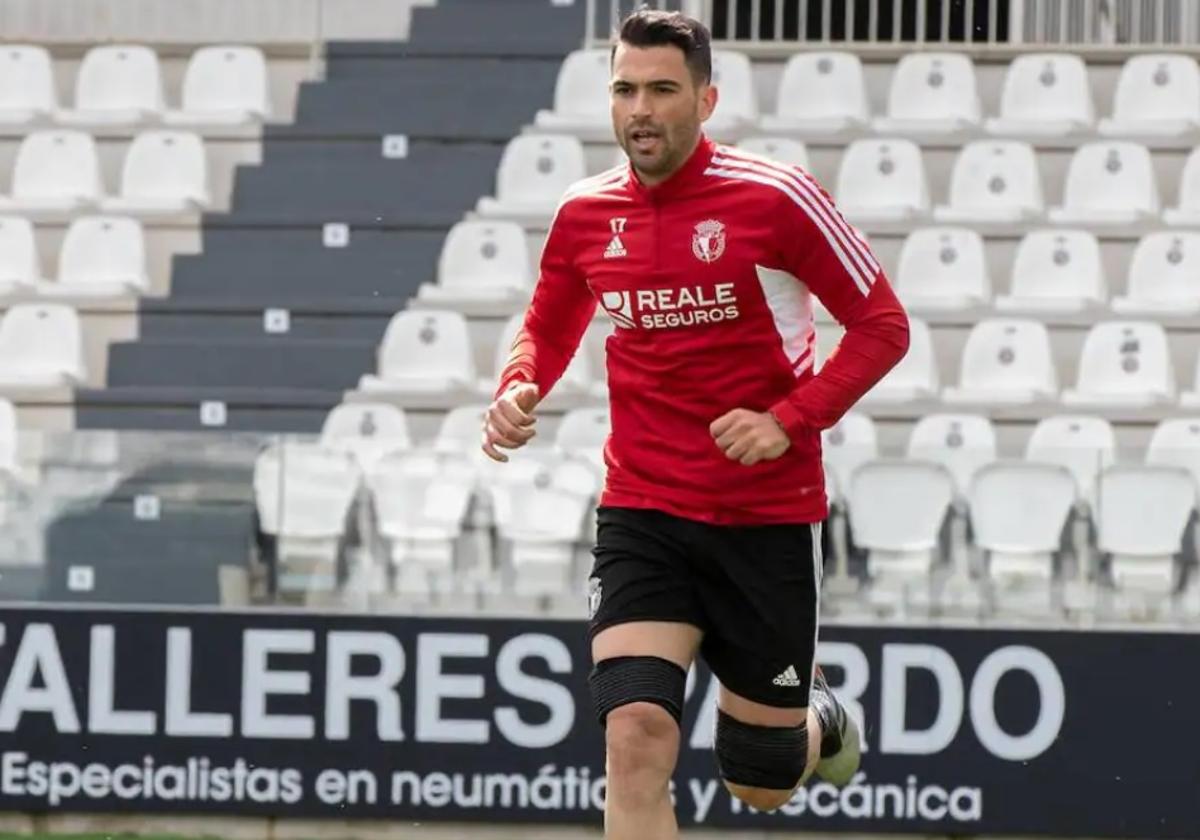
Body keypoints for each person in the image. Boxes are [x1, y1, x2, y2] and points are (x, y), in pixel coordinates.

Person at [482, 9, 909, 839]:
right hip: (644, 510)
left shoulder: (776, 199)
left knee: (761, 782)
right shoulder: (583, 214)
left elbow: (883, 326)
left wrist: (789, 420)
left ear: (706, 100)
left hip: (764, 518)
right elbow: (549, 323)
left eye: (662, 90)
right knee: (634, 738)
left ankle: (818, 718)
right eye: (625, 89)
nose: (641, 108)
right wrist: (519, 381)